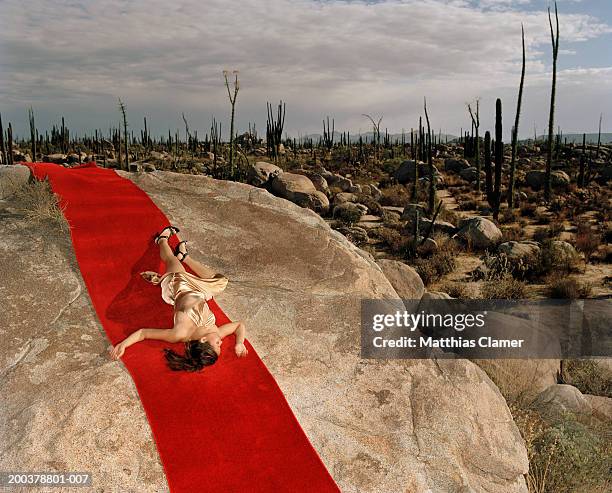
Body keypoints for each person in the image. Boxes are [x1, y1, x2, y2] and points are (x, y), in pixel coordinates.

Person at [108, 225, 248, 371]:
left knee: (170, 260)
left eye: (217, 345)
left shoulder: (179, 334)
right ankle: (185, 257)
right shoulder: (216, 333)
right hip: (200, 290)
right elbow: (239, 326)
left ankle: (161, 240)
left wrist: (123, 344)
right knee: (221, 281)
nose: (221, 342)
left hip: (180, 286)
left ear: (204, 339)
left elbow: (144, 333)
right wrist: (239, 343)